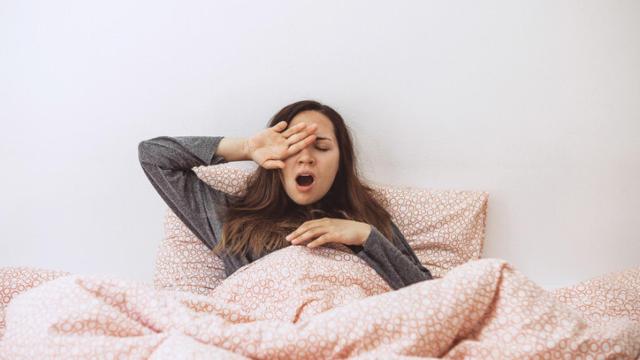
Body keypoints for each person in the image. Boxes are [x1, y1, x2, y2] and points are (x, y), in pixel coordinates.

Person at [138, 100, 432, 290]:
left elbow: (427, 295)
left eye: (321, 146)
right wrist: (246, 148)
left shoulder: (367, 224)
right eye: (292, 144)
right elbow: (154, 156)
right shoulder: (231, 221)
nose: (306, 157)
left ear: (341, 162)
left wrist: (365, 238)